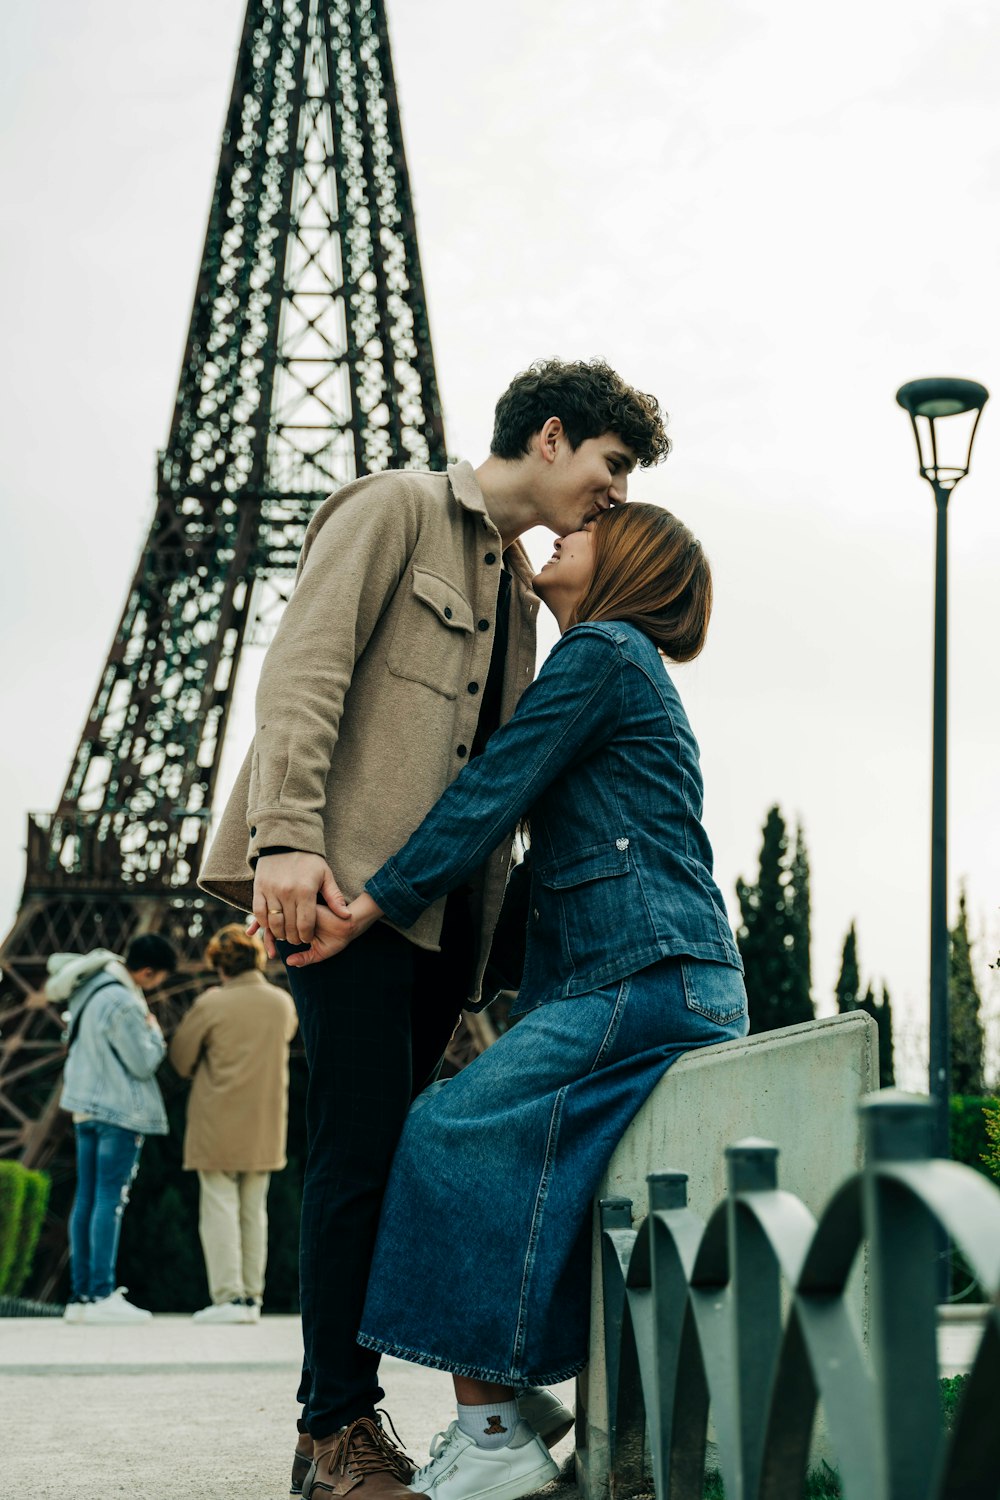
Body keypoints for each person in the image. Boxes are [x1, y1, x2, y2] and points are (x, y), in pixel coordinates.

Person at [198, 359, 670, 1499]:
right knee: (357, 1152)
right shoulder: (394, 507)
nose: (612, 495)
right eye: (610, 466)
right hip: (344, 895)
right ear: (551, 438)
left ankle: (376, 1413)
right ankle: (331, 1434)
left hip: (437, 931)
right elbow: (304, 671)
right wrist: (287, 842)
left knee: (394, 1155)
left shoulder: (519, 588)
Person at [279, 503, 748, 1500]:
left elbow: (488, 790)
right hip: (670, 975)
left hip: (641, 976)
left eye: (587, 531)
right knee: (531, 1169)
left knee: (446, 1131)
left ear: (622, 566)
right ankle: (512, 1410)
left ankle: (492, 1434)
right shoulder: (626, 672)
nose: (561, 534)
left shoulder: (602, 654)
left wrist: (373, 907)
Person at [169, 924, 298, 1324]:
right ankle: (252, 1297)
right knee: (254, 1210)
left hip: (217, 1118)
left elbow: (181, 1058)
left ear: (218, 964)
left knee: (219, 1206)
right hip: (266, 1120)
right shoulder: (282, 1003)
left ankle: (227, 1298)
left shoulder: (212, 1004)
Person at [50, 932, 177, 1324]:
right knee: (111, 1199)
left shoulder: (88, 989)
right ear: (147, 971)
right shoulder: (122, 1000)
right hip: (117, 1112)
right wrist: (155, 1034)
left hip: (84, 1108)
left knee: (86, 1198)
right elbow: (142, 1062)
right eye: (159, 978)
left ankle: (82, 1296)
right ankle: (103, 1292)